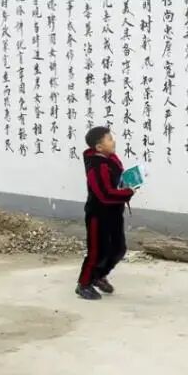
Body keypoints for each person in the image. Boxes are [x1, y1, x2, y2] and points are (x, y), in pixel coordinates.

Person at [76, 126, 135, 301]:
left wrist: (130, 182)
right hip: (98, 215)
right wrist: (128, 193)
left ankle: (98, 275)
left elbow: (117, 181)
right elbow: (104, 194)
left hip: (114, 212)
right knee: (97, 251)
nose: (113, 141)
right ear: (99, 147)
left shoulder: (111, 158)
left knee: (118, 248)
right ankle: (83, 284)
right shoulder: (96, 166)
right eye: (109, 139)